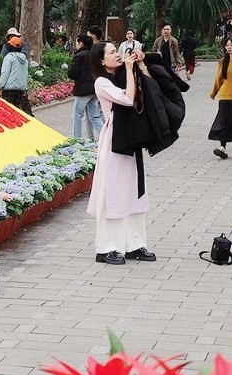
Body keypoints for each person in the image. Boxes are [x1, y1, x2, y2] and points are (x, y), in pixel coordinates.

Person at [86, 42, 156, 265]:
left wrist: (140, 64)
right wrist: (128, 69)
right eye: (112, 52)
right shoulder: (102, 82)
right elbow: (128, 99)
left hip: (131, 138)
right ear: (100, 60)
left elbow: (149, 87)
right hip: (115, 140)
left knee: (135, 190)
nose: (118, 55)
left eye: (117, 51)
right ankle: (107, 247)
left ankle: (134, 244)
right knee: (113, 192)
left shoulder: (124, 74)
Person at [68, 34, 103, 139]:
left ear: (81, 43)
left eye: (76, 42)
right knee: (94, 115)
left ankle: (77, 139)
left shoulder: (79, 56)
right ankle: (106, 137)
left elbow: (72, 74)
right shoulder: (94, 55)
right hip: (94, 89)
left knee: (77, 115)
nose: (76, 45)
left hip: (82, 91)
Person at [0, 36, 33, 115]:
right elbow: (25, 74)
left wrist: (0, 87)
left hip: (9, 91)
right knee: (25, 115)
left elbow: (4, 74)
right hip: (22, 90)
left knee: (8, 115)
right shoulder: (25, 60)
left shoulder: (9, 58)